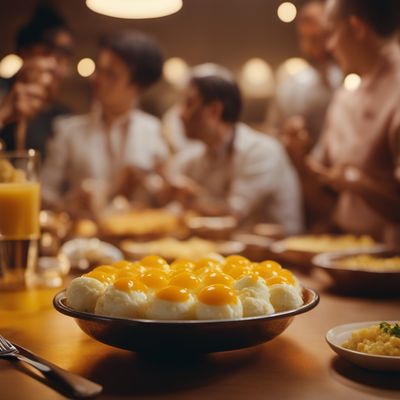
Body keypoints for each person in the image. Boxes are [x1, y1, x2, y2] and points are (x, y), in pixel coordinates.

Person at [285, 0, 400, 244]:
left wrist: (358, 184)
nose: (329, 46)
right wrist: (299, 159)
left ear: (357, 28)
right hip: (346, 249)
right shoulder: (344, 96)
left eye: (331, 33)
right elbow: (323, 196)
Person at [41, 30, 167, 217]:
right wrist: (69, 202)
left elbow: (166, 202)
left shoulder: (154, 131)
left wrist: (161, 188)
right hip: (83, 241)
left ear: (137, 86)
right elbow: (43, 194)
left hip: (140, 241)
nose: (95, 79)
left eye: (111, 75)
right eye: (99, 69)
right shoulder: (68, 130)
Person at [164, 74, 303, 235]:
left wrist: (190, 199)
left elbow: (232, 214)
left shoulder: (261, 151)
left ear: (215, 110)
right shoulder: (192, 157)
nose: (180, 115)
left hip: (277, 257)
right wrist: (169, 193)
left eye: (189, 104)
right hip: (229, 255)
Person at [0, 1, 74, 157]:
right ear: (24, 53)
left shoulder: (63, 115)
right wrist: (4, 114)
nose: (55, 66)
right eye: (47, 53)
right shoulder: (4, 96)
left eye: (63, 57)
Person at [267, 0, 342, 145]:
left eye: (322, 36)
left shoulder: (352, 78)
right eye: (311, 39)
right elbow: (273, 132)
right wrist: (288, 137)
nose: (319, 45)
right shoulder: (289, 88)